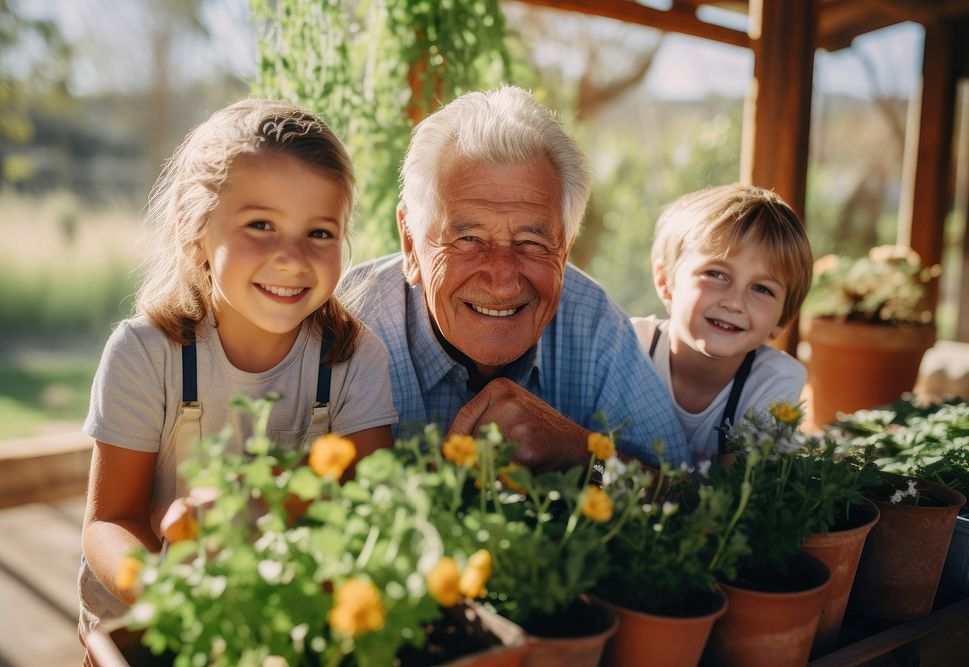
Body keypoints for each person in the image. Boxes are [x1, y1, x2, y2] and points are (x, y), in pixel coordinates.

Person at [78, 99, 397, 635]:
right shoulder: (144, 353)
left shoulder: (354, 359)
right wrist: (176, 598)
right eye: (261, 224)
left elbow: (371, 505)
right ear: (193, 228)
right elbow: (110, 520)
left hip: (285, 622)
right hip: (141, 623)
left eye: (320, 232)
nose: (293, 257)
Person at [340, 86, 686, 471]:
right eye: (468, 239)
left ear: (566, 248)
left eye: (532, 241)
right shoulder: (345, 325)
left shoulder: (593, 325)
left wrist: (582, 452)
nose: (503, 281)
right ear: (410, 243)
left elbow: (692, 501)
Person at [632, 183, 813, 463]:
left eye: (762, 289)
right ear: (665, 280)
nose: (734, 302)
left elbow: (742, 483)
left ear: (783, 319)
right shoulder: (632, 346)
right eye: (716, 274)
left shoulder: (775, 379)